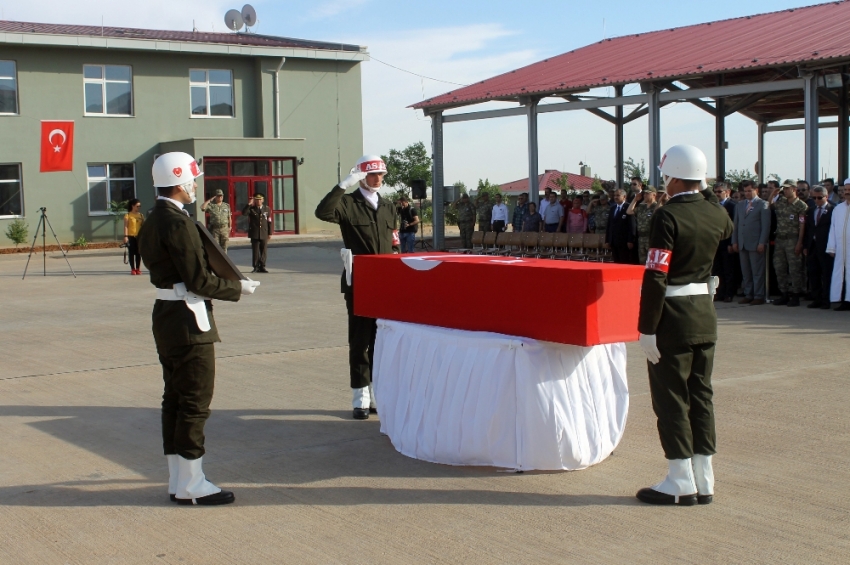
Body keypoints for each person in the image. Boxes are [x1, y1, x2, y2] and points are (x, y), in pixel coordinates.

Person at [138, 151, 260, 506]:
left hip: (167, 316)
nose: (194, 185)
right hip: (188, 320)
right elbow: (198, 281)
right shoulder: (177, 223)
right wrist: (237, 288)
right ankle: (193, 485)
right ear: (179, 181)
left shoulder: (154, 218)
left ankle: (179, 480)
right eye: (191, 180)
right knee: (194, 402)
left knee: (174, 400)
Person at [636, 144, 733, 506]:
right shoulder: (716, 214)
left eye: (667, 178)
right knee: (701, 396)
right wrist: (702, 186)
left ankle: (679, 479)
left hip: (672, 319)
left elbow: (656, 274)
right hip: (704, 315)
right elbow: (722, 220)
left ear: (673, 177)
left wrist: (647, 327)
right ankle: (704, 478)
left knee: (672, 398)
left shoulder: (666, 216)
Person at [315, 155, 398, 420]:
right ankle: (360, 397)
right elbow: (323, 212)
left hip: (385, 283)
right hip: (359, 281)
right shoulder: (348, 204)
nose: (378, 179)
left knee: (381, 341)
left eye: (381, 175)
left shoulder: (388, 207)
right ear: (362, 176)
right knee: (360, 340)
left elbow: (394, 244)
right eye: (373, 175)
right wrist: (344, 185)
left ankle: (377, 394)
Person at [732, 180, 770, 305]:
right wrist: (735, 241)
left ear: (756, 190)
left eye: (750, 191)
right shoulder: (740, 205)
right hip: (742, 243)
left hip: (755, 243)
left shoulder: (763, 204)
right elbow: (736, 225)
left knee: (757, 271)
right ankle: (749, 294)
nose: (747, 193)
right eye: (745, 191)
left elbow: (765, 226)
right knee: (746, 271)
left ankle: (759, 295)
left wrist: (762, 242)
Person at [770, 180, 808, 306]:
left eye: (787, 189)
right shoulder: (781, 202)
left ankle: (796, 295)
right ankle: (784, 293)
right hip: (780, 239)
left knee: (794, 268)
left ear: (794, 189)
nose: (785, 191)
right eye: (784, 189)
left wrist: (799, 242)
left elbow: (802, 225)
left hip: (793, 239)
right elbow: (768, 205)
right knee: (779, 267)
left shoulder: (801, 206)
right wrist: (773, 193)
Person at [804, 186, 835, 309]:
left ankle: (826, 299)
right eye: (814, 198)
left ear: (826, 197)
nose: (817, 200)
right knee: (813, 273)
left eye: (819, 198)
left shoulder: (833, 210)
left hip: (826, 247)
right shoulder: (811, 210)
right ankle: (816, 298)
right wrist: (806, 246)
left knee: (826, 274)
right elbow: (808, 229)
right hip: (813, 247)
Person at [826, 180, 850, 311]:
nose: (847, 193)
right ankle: (842, 300)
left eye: (849, 190)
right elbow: (833, 229)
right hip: (841, 249)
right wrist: (831, 247)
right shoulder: (838, 209)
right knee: (840, 274)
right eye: (846, 190)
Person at [712, 183, 737, 303]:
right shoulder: (712, 206)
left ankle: (729, 293)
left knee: (728, 269)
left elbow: (734, 226)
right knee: (717, 270)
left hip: (727, 242)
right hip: (716, 242)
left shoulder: (732, 206)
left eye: (719, 191)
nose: (717, 194)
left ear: (727, 192)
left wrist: (732, 243)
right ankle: (719, 292)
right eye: (715, 192)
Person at [627, 186, 660, 264]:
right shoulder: (642, 206)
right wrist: (635, 199)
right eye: (644, 193)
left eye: (647, 193)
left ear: (654, 195)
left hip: (651, 238)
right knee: (642, 262)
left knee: (651, 262)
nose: (645, 195)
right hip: (641, 238)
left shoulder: (656, 206)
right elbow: (629, 211)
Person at [242, 194, 272, 273]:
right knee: (255, 251)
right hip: (254, 233)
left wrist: (270, 233)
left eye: (260, 199)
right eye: (257, 200)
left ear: (263, 200)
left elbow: (269, 221)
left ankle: (262, 266)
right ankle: (255, 266)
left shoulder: (267, 209)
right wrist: (248, 204)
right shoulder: (252, 209)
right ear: (255, 200)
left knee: (264, 251)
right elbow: (244, 213)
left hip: (264, 232)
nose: (258, 201)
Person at [606, 188, 635, 264]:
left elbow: (631, 225)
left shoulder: (629, 207)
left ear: (624, 197)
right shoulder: (612, 208)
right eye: (615, 195)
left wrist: (630, 240)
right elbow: (609, 225)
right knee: (616, 261)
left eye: (618, 195)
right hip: (614, 240)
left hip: (624, 241)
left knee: (624, 261)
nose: (615, 197)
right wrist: (607, 240)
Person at [123, 198, 144, 275]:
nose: (139, 208)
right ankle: (133, 269)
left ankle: (138, 268)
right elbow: (126, 226)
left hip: (139, 237)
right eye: (137, 206)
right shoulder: (128, 215)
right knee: (131, 253)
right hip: (131, 236)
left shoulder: (141, 215)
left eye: (140, 206)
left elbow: (143, 226)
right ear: (133, 206)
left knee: (139, 253)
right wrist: (125, 236)